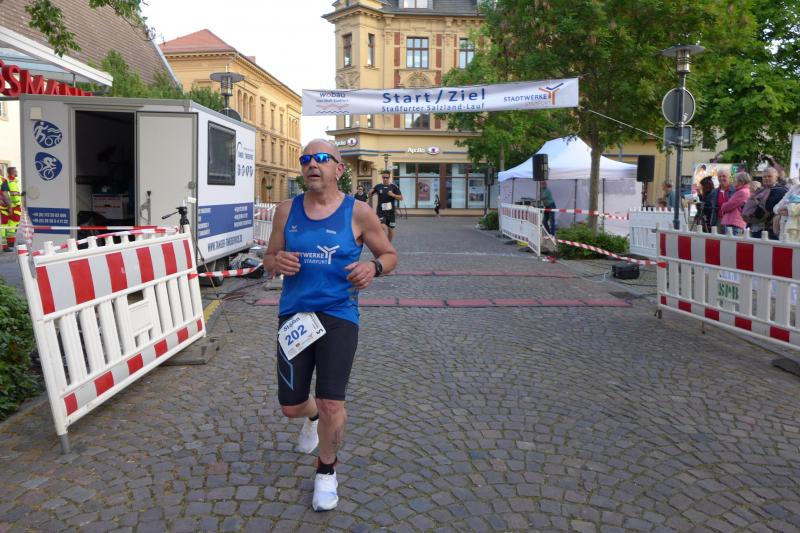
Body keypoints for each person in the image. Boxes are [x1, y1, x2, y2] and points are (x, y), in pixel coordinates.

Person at [263, 139, 397, 512]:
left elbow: (389, 254)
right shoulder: (286, 210)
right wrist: (277, 262)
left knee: (331, 400)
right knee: (290, 406)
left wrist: (373, 267)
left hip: (340, 314)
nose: (312, 164)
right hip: (295, 316)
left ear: (338, 169)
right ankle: (311, 416)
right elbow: (268, 258)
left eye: (321, 158)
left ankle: (326, 470)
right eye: (306, 159)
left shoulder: (359, 212)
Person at [369, 170, 403, 242]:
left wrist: (393, 195)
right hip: (381, 211)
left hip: (391, 212)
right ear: (382, 177)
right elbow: (370, 194)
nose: (385, 179)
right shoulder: (378, 186)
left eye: (387, 177)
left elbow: (401, 198)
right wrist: (370, 192)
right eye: (383, 177)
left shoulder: (394, 186)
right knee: (382, 227)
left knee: (391, 230)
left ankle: (388, 244)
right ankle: (381, 242)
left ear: (389, 177)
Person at [719, 171, 751, 236]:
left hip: (734, 222)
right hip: (735, 222)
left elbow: (727, 206)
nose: (734, 182)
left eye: (735, 180)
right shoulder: (743, 191)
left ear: (741, 181)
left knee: (730, 242)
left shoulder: (742, 192)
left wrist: (723, 205)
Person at [0, 166, 21, 252]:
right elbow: (5, 194)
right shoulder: (4, 180)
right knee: (5, 227)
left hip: (9, 206)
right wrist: (9, 206)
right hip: (7, 206)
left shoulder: (11, 181)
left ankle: (9, 243)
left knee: (9, 225)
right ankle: (6, 244)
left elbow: (11, 194)